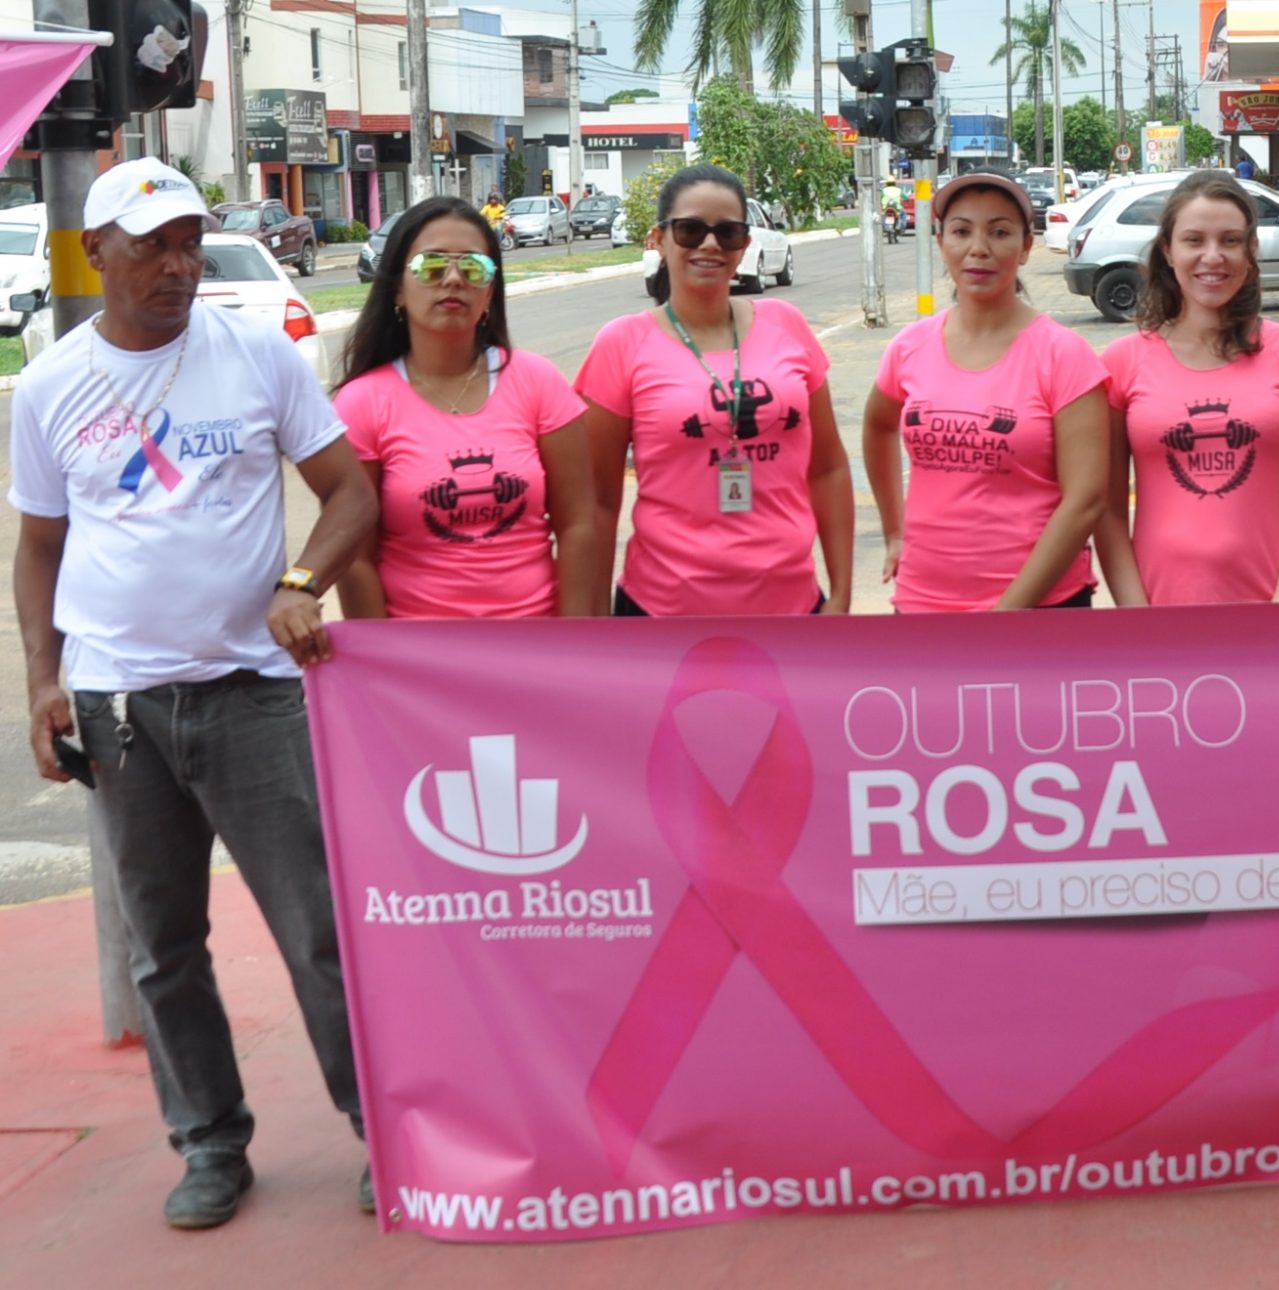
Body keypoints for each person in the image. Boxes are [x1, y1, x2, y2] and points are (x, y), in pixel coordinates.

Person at [7, 158, 380, 1227]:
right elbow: (40, 548)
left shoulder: (257, 355)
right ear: (95, 253)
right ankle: (209, 1143)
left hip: (253, 694)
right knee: (162, 946)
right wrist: (44, 680)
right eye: (152, 248)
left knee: (317, 928)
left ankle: (381, 1122)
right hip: (120, 710)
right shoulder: (50, 386)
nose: (177, 267)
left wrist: (301, 583)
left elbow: (350, 494)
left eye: (188, 245)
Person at [575, 164, 855, 616]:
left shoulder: (787, 325)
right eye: (690, 230)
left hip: (793, 612)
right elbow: (599, 503)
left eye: (727, 233)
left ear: (744, 245)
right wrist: (594, 622)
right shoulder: (622, 343)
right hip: (661, 615)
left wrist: (841, 594)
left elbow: (828, 469)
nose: (709, 244)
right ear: (659, 239)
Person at [332, 196, 603, 619]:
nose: (454, 279)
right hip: (418, 651)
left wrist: (573, 639)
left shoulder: (538, 382)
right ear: (398, 289)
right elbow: (356, 559)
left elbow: (578, 525)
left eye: (474, 267)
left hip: (536, 642)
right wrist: (379, 652)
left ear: (490, 291)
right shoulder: (362, 403)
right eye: (431, 266)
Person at [863, 171, 1108, 610]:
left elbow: (1086, 501)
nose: (979, 248)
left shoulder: (1064, 355)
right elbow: (878, 426)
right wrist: (894, 531)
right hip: (923, 603)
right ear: (941, 243)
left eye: (999, 232)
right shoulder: (909, 347)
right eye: (962, 231)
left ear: (1026, 247)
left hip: (1042, 609)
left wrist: (1007, 613)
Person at [1096, 171, 1279, 605]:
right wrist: (1136, 615)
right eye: (1194, 240)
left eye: (1230, 240)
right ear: (1167, 250)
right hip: (1156, 615)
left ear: (1252, 249)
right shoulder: (1120, 363)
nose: (1212, 256)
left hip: (1273, 610)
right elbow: (1107, 511)